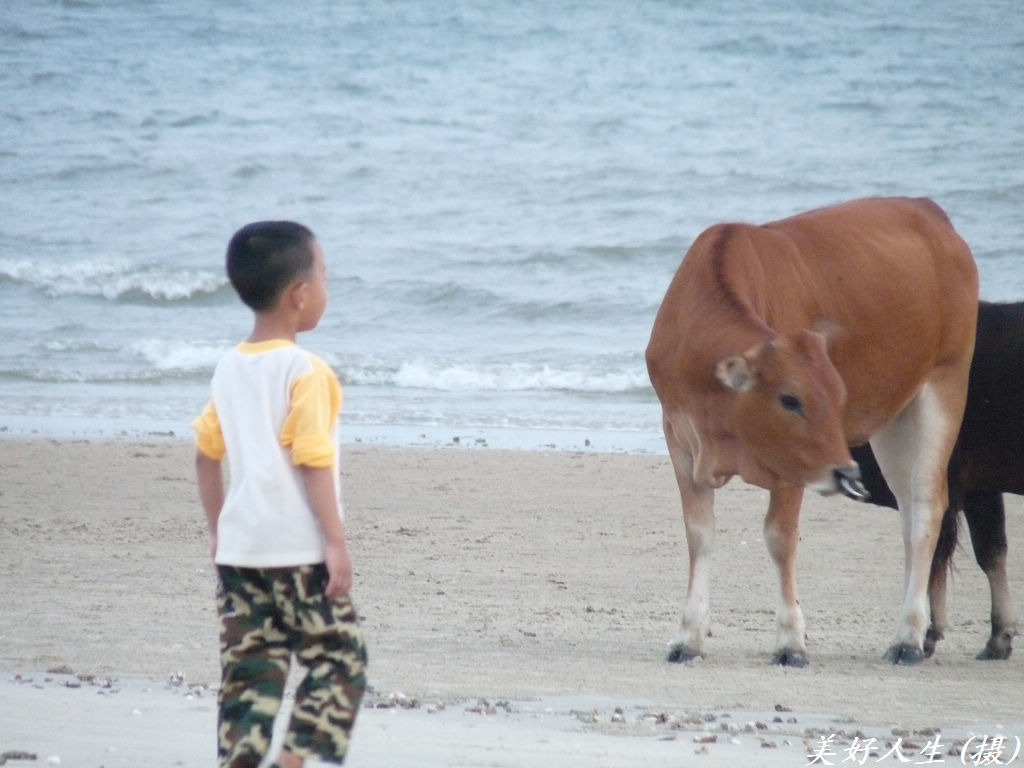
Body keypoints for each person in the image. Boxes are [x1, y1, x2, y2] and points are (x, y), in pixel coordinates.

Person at [193, 220, 367, 768]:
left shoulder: (228, 367)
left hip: (241, 554)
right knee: (340, 661)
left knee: (249, 677)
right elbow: (312, 460)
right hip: (298, 552)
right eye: (325, 276)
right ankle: (292, 762)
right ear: (300, 294)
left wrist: (219, 532)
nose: (327, 288)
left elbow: (206, 456)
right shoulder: (305, 371)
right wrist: (335, 542)